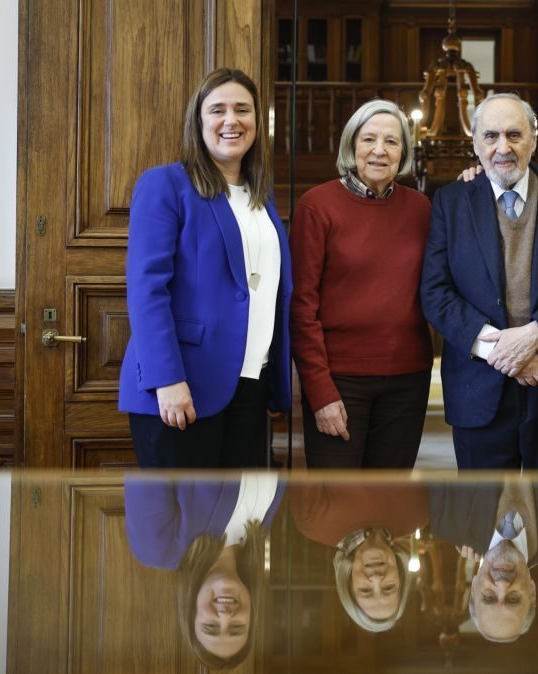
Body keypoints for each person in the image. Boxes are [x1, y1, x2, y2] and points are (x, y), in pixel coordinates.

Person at [421, 92, 538, 469]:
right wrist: (500, 352)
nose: (502, 147)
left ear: (534, 139)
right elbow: (435, 292)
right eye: (490, 136)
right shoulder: (451, 202)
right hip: (479, 388)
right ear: (475, 143)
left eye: (514, 135)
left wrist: (534, 335)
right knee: (480, 521)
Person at [118, 68, 292, 467]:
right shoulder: (165, 185)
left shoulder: (261, 196)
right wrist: (167, 379)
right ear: (198, 122)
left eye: (242, 110)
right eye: (218, 110)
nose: (231, 120)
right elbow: (147, 290)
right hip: (183, 387)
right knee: (181, 526)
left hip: (249, 385)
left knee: (236, 527)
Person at [290, 99, 433, 468]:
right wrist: (319, 391)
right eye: (369, 139)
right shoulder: (316, 206)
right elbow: (300, 306)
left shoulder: (421, 209)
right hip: (339, 381)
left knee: (389, 506)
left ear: (403, 153)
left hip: (408, 380)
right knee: (338, 510)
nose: (380, 150)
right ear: (352, 145)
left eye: (392, 141)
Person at [124, 474, 285, 669]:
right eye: (237, 627)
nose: (226, 616)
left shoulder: (156, 548)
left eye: (210, 627)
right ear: (251, 616)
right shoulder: (258, 531)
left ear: (192, 612)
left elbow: (149, 456)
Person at [429, 480, 538, 642]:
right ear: (532, 592)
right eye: (513, 599)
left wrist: (463, 531)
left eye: (489, 597)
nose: (502, 585)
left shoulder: (447, 521)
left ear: (474, 587)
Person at [289, 482, 429, 632]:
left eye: (365, 590)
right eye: (388, 587)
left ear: (348, 581)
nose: (376, 578)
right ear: (400, 575)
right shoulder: (416, 516)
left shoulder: (313, 521)